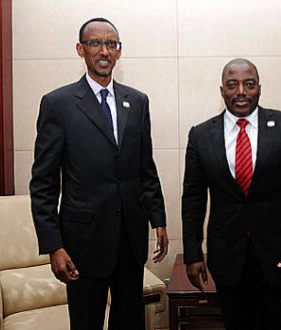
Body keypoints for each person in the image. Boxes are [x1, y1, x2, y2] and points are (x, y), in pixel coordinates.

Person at [30, 17, 168, 330]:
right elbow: (43, 184)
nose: (103, 51)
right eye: (95, 43)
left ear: (119, 52)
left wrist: (158, 218)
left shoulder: (138, 101)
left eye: (111, 44)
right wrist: (53, 245)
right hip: (83, 243)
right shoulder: (58, 104)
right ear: (81, 50)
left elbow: (145, 167)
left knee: (130, 322)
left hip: (130, 240)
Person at [181, 58, 281, 330]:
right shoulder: (200, 135)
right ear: (222, 90)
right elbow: (193, 199)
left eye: (249, 84)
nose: (241, 92)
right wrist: (193, 253)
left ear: (259, 88)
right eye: (232, 85)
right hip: (228, 259)